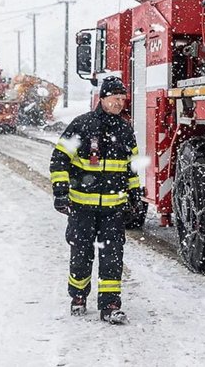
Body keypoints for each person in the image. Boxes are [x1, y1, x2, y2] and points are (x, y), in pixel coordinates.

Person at [49, 76, 141, 325]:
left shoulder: (125, 130)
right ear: (102, 98)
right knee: (81, 254)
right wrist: (60, 191)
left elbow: (131, 168)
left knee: (112, 257)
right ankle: (78, 296)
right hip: (81, 208)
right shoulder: (81, 125)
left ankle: (110, 305)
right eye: (115, 98)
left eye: (123, 99)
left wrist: (135, 196)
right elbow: (59, 159)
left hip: (113, 210)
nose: (119, 103)